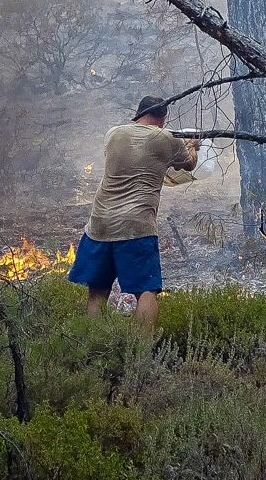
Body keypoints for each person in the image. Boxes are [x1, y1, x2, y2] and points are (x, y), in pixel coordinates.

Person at [68, 95, 199, 329]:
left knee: (97, 293)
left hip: (100, 224)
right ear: (163, 118)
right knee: (146, 291)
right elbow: (189, 164)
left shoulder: (114, 134)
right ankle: (141, 355)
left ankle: (94, 348)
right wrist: (192, 145)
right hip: (136, 227)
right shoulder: (166, 138)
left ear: (139, 114)